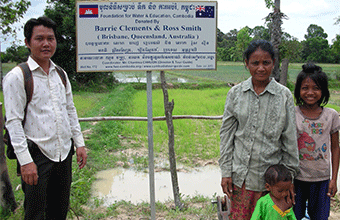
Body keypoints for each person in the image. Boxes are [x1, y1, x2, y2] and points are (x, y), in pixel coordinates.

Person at [3, 16, 87, 220]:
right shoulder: (17, 76)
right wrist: (25, 162)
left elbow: (70, 110)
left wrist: (80, 143)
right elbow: (13, 122)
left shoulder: (61, 74)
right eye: (39, 38)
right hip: (36, 155)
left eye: (51, 38)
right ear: (27, 42)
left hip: (63, 153)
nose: (46, 43)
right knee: (35, 213)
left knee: (59, 210)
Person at [218, 39, 299, 220]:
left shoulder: (284, 95)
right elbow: (226, 136)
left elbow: (289, 139)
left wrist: (289, 179)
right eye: (255, 63)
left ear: (273, 63)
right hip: (241, 180)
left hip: (272, 183)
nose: (261, 68)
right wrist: (225, 173)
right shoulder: (236, 94)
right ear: (246, 64)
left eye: (266, 63)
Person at [293, 63, 340, 220]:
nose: (310, 92)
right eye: (305, 88)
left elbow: (335, 148)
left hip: (322, 180)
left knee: (320, 217)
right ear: (299, 90)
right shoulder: (293, 113)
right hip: (297, 179)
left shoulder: (331, 115)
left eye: (316, 88)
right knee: (294, 216)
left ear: (324, 91)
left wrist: (333, 179)